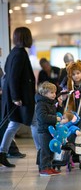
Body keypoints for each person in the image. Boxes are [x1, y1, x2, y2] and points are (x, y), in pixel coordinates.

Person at [0, 27, 37, 167]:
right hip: (21, 98)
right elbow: (13, 77)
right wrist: (15, 97)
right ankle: (42, 154)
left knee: (14, 125)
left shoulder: (15, 53)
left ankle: (2, 153)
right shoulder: (20, 54)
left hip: (18, 97)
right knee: (34, 123)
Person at [36, 81, 63, 176]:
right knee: (45, 150)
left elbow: (59, 114)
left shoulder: (51, 103)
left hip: (51, 130)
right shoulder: (41, 104)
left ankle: (49, 166)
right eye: (51, 93)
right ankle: (43, 168)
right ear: (44, 93)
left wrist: (60, 106)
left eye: (55, 92)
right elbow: (42, 117)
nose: (54, 95)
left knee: (51, 149)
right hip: (44, 131)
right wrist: (55, 119)